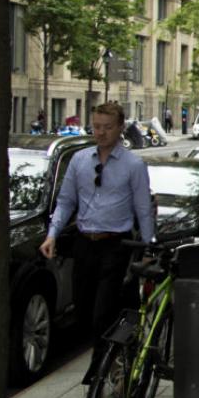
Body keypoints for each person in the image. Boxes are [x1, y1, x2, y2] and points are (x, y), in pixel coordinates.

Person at [39, 102, 155, 383]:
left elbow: (142, 209)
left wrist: (149, 246)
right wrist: (52, 234)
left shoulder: (133, 165)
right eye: (96, 127)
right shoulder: (80, 161)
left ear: (120, 128)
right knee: (82, 311)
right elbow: (66, 202)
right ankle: (113, 353)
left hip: (116, 245)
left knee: (104, 310)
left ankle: (99, 365)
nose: (100, 133)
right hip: (84, 243)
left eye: (107, 127)